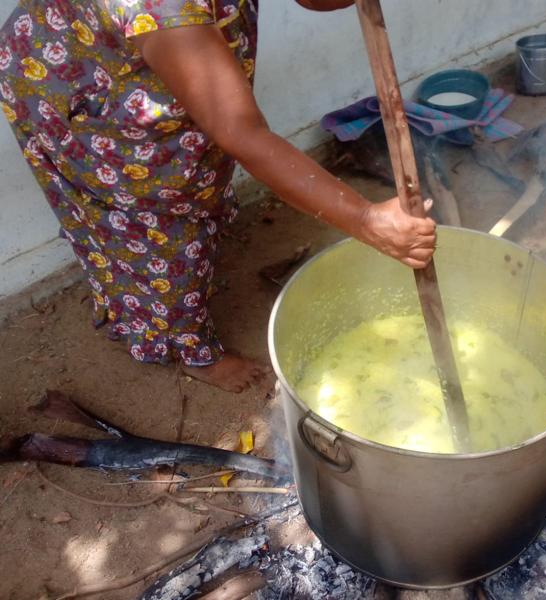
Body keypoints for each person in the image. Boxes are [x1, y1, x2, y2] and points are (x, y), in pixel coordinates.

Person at [0, 0, 436, 393]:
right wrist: (366, 220)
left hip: (138, 69)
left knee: (193, 178)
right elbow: (240, 131)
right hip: (80, 93)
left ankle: (171, 271)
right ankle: (187, 349)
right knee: (152, 233)